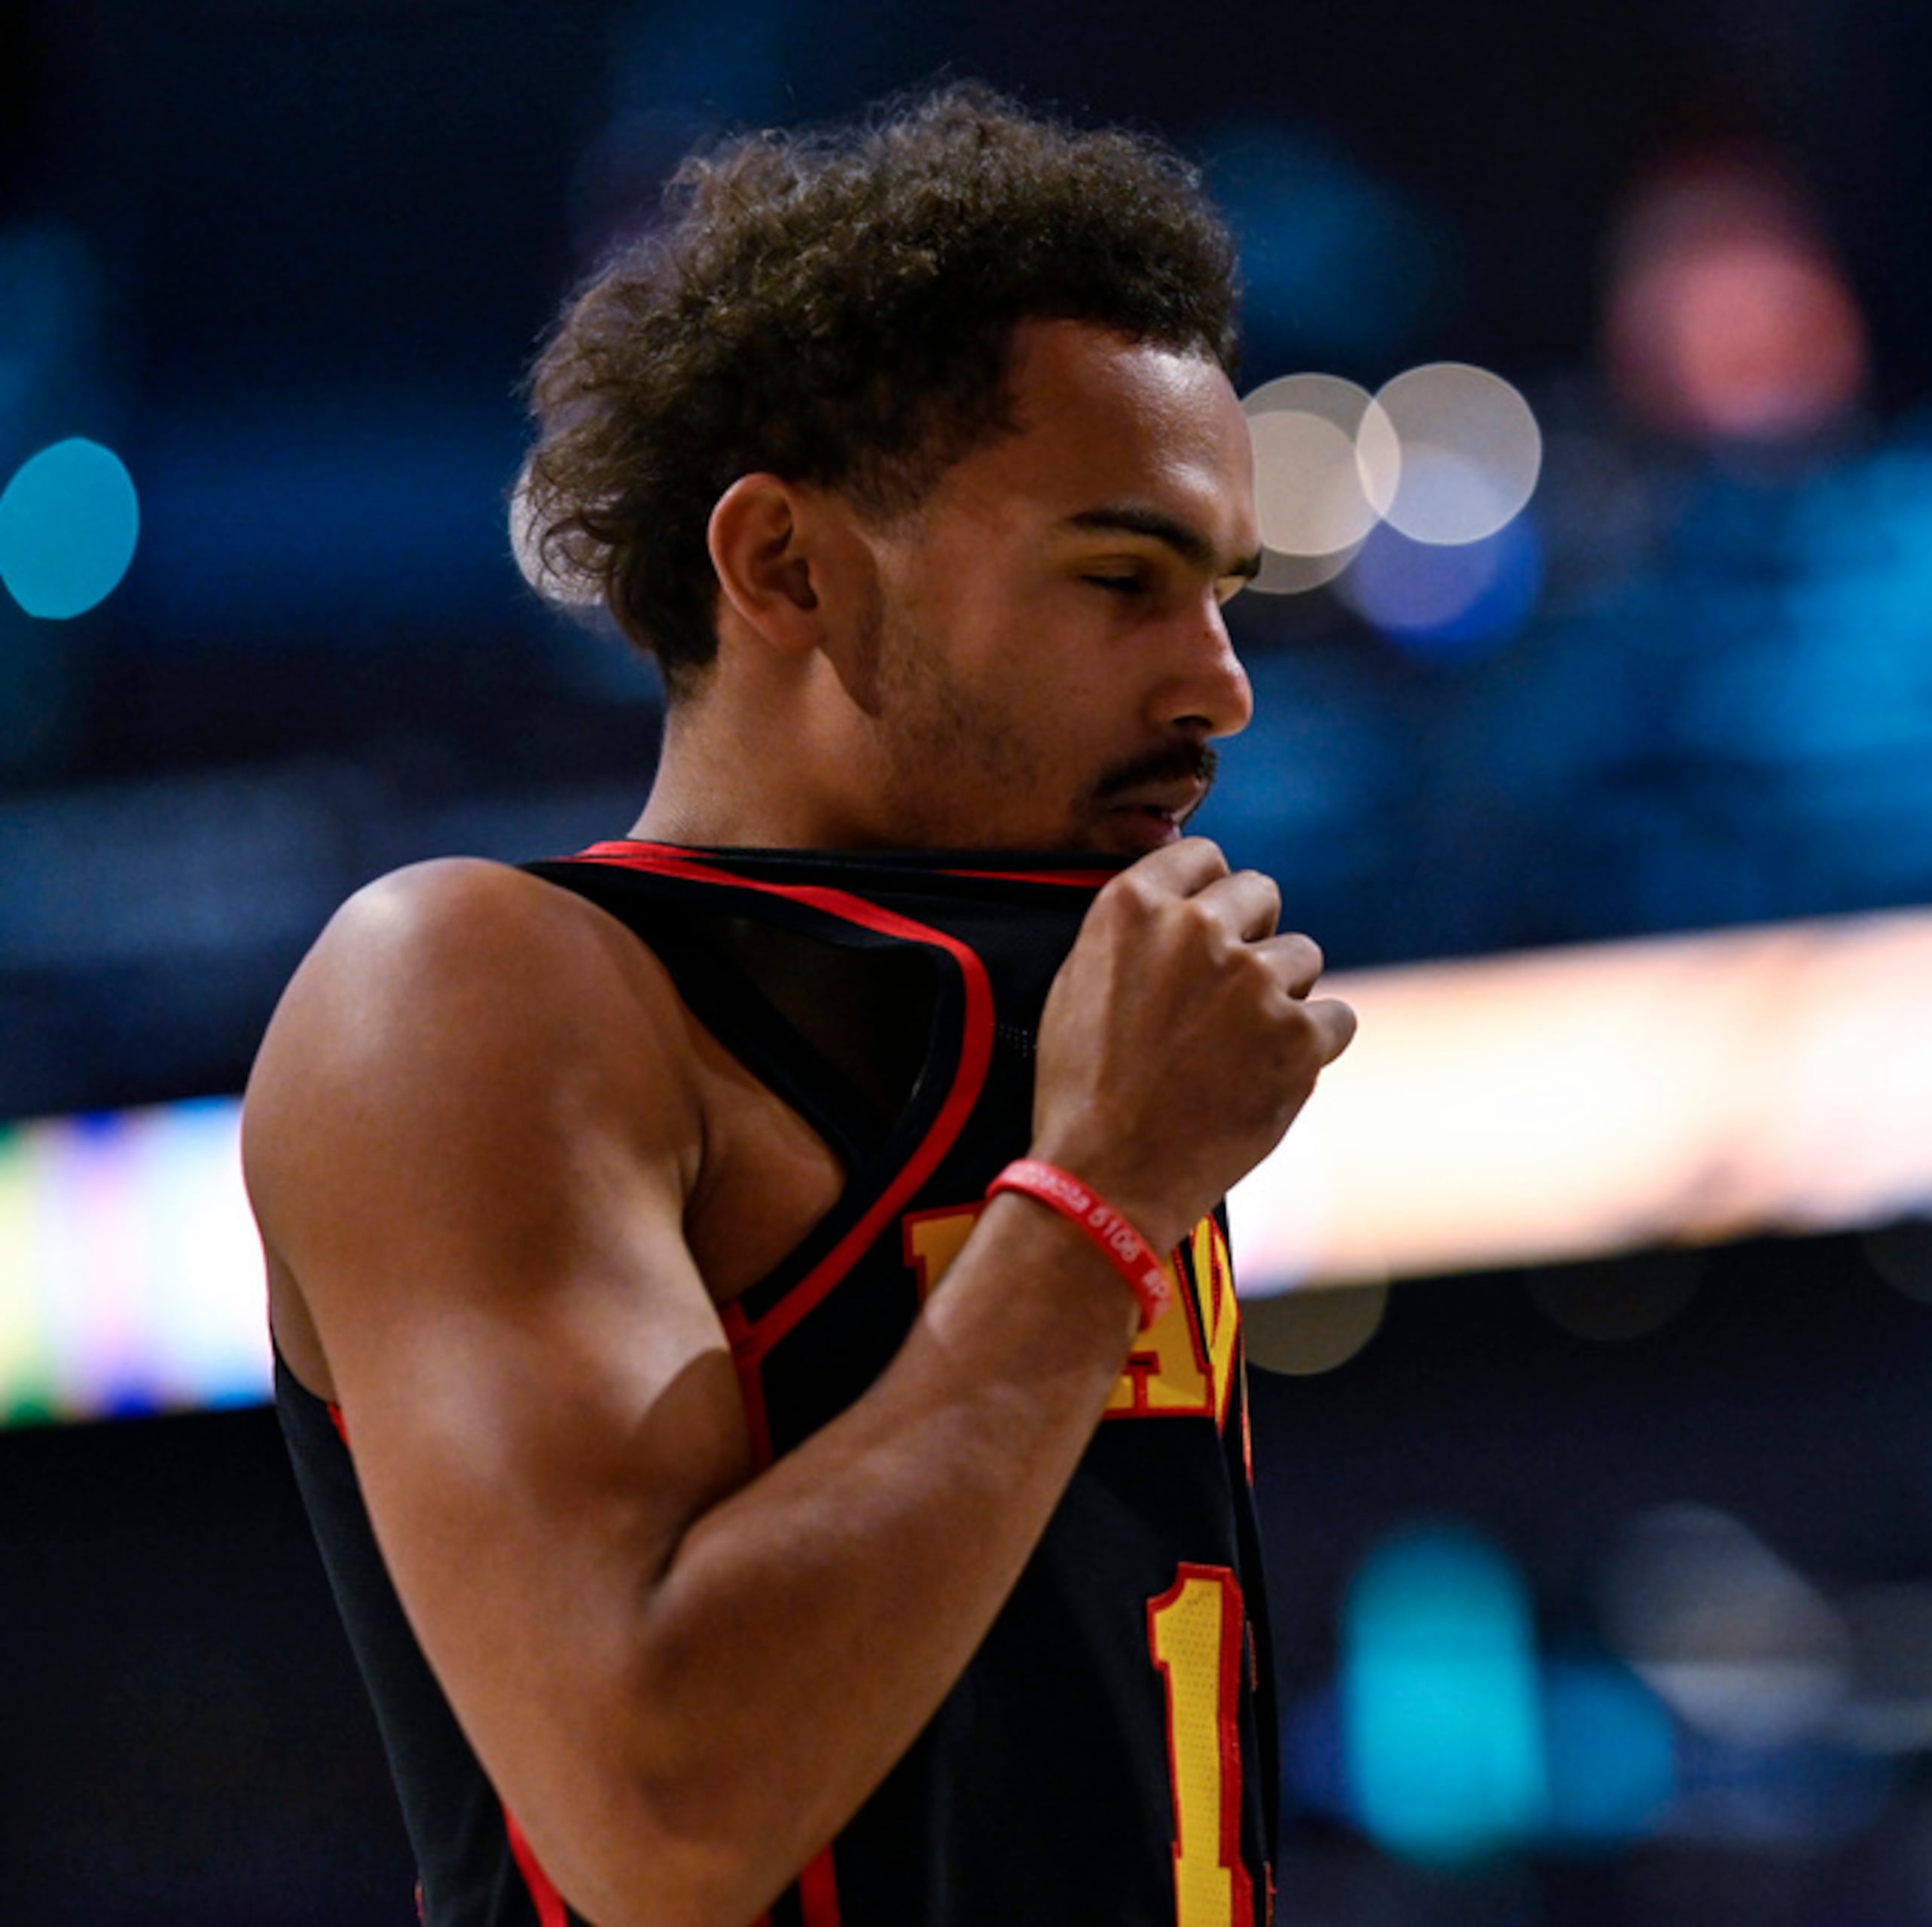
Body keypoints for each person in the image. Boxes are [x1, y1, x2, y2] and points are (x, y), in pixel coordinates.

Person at [242, 85, 1352, 1927]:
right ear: (785, 565)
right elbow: (660, 1820)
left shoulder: (1089, 1007)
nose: (1221, 683)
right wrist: (1097, 1204)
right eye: (1122, 576)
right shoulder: (472, 983)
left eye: (1224, 592)